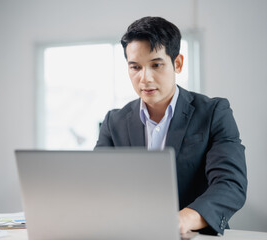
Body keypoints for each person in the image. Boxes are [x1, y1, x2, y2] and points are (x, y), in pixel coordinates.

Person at [95, 16, 247, 235]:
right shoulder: (114, 122)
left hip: (193, 235)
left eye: (156, 65)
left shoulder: (214, 113)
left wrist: (183, 220)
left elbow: (230, 184)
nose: (144, 78)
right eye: (135, 67)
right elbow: (97, 185)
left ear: (177, 63)